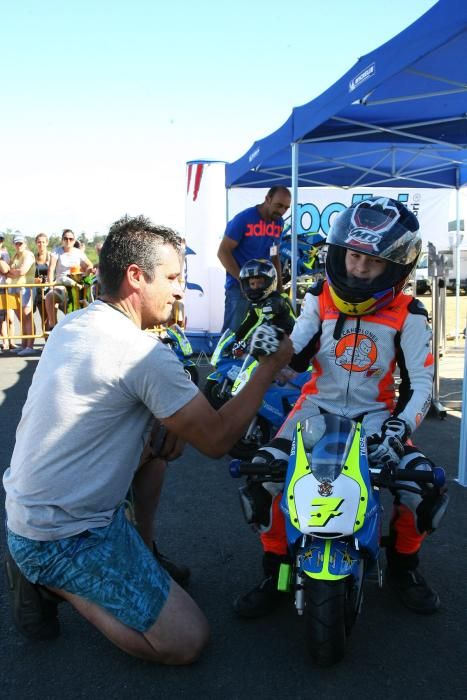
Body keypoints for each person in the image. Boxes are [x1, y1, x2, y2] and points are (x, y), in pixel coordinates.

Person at [3, 214, 293, 665]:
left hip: (30, 512)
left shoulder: (72, 324)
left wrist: (158, 422)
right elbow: (216, 441)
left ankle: (141, 552)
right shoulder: (140, 354)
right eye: (174, 277)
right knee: (185, 640)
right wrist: (270, 368)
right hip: (64, 536)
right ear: (136, 277)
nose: (180, 290)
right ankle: (49, 582)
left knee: (159, 450)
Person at [233, 196, 447, 620]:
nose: (359, 267)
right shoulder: (320, 296)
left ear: (397, 267)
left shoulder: (411, 313)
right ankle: (275, 572)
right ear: (339, 251)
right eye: (353, 254)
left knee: (422, 487)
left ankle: (404, 568)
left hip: (377, 419)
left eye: (374, 260)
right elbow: (293, 357)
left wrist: (399, 429)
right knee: (261, 479)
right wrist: (269, 349)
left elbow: (422, 384)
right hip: (313, 409)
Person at [217, 186, 291, 332]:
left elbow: (274, 255)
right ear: (267, 199)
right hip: (239, 288)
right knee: (233, 334)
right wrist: (243, 281)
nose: (282, 211)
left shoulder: (279, 222)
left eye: (286, 208)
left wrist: (280, 289)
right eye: (279, 205)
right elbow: (223, 252)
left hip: (264, 288)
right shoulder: (243, 219)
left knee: (261, 334)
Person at [231, 258, 296, 359]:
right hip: (273, 342)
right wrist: (234, 339)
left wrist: (242, 344)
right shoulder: (257, 303)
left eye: (260, 283)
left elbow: (262, 323)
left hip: (291, 345)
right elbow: (248, 322)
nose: (256, 287)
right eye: (252, 284)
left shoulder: (275, 300)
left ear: (270, 281)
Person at [45, 229, 93, 329]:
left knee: (74, 314)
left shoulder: (78, 253)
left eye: (71, 239)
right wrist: (50, 286)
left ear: (74, 240)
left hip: (75, 287)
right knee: (49, 296)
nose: (68, 241)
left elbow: (89, 265)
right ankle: (53, 326)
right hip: (61, 286)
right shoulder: (56, 251)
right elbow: (51, 269)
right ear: (62, 240)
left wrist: (85, 275)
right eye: (65, 238)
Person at [6, 234, 36, 356]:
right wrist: (14, 273)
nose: (18, 245)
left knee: (27, 316)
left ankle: (30, 345)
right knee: (21, 318)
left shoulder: (28, 255)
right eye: (16, 243)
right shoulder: (15, 256)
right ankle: (24, 345)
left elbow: (23, 271)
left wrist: (13, 272)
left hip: (26, 288)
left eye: (20, 243)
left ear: (25, 244)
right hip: (14, 288)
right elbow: (6, 272)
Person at [34, 232, 52, 329]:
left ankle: (54, 341)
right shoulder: (33, 258)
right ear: (36, 243)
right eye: (39, 242)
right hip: (39, 292)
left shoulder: (52, 256)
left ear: (47, 243)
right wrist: (35, 280)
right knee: (44, 319)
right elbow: (29, 276)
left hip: (51, 290)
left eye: (43, 242)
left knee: (52, 317)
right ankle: (47, 342)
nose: (41, 244)